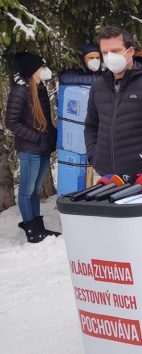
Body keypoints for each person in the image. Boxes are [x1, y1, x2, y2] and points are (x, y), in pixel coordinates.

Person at [84, 26, 142, 182]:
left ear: (130, 51)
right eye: (105, 52)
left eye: (115, 51)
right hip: (106, 175)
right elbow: (91, 125)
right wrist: (93, 155)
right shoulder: (98, 86)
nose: (109, 56)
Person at [6, 51, 59, 243]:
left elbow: (45, 117)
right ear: (33, 70)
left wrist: (52, 136)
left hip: (43, 147)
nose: (45, 70)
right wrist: (35, 137)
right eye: (42, 67)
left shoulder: (40, 87)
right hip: (30, 148)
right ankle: (31, 228)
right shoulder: (20, 91)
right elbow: (11, 122)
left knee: (35, 190)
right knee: (27, 191)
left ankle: (38, 226)